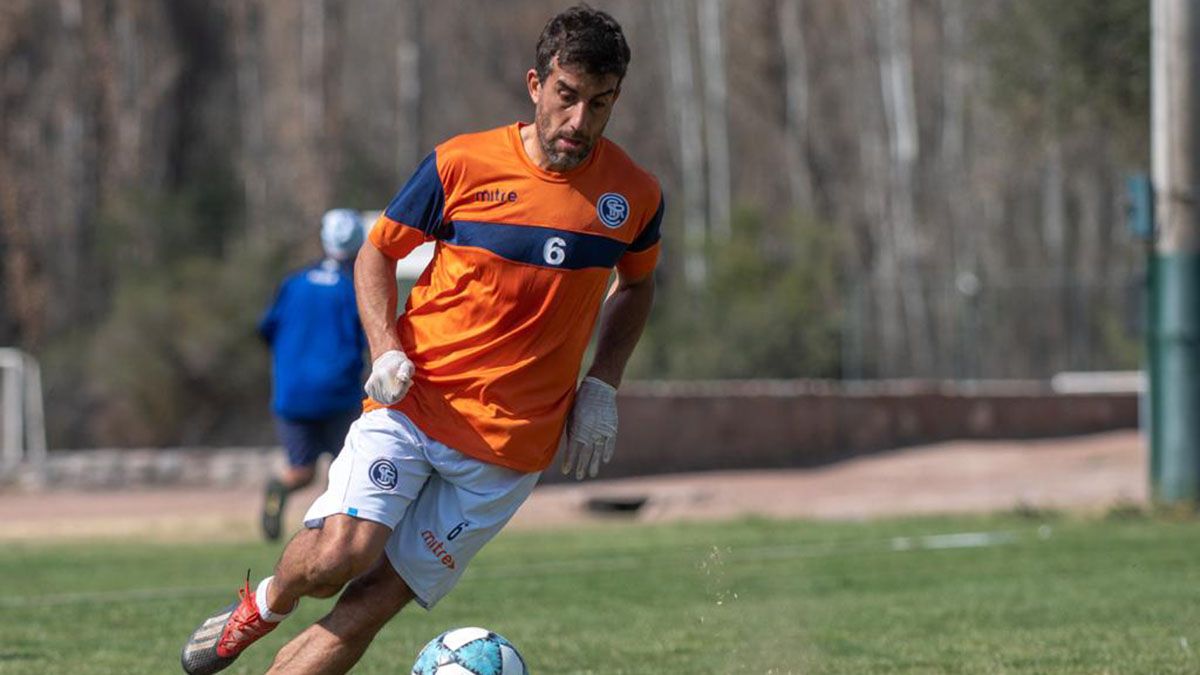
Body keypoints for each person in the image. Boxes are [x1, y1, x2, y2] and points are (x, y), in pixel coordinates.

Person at [181, 5, 663, 674]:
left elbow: (636, 286)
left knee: (372, 599)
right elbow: (375, 254)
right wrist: (385, 349)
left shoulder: (634, 195)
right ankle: (267, 599)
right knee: (338, 555)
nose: (580, 121)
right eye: (567, 96)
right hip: (415, 403)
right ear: (535, 84)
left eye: (601, 103)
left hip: (510, 447)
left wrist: (603, 382)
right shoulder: (460, 165)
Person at [257, 209, 368, 541]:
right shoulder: (354, 288)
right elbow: (369, 337)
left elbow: (266, 330)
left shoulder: (294, 283)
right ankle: (328, 530)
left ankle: (279, 489)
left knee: (301, 471)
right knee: (344, 469)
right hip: (338, 393)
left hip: (292, 394)